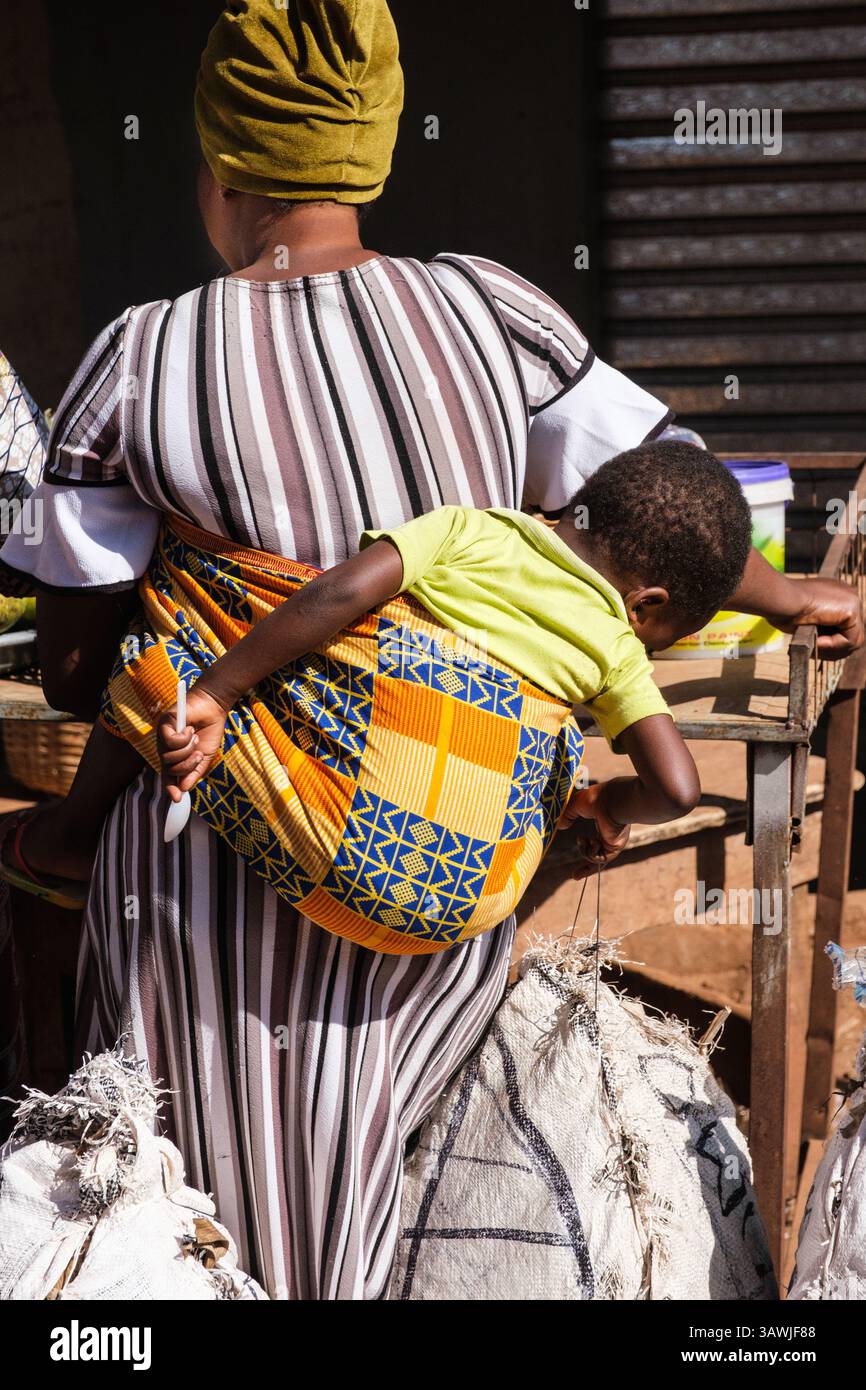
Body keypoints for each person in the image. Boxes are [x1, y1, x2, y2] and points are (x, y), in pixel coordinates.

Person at [0, 1, 861, 1296]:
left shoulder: (138, 356)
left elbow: (75, 673)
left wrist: (210, 611)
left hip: (222, 907)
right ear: (375, 154)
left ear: (222, 173)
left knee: (214, 1228)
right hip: (452, 863)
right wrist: (785, 593)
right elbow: (658, 498)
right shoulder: (489, 309)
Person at [0, 443, 750, 938]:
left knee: (163, 641)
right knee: (543, 748)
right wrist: (609, 805)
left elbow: (335, 597)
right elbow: (678, 789)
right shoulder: (617, 646)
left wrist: (220, 694)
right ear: (646, 604)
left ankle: (72, 836)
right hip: (467, 909)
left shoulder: (474, 530)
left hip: (339, 848)